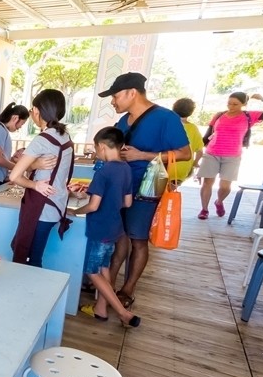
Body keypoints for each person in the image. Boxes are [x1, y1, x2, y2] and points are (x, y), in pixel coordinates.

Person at [98, 72, 192, 310]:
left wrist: (143, 155)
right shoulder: (123, 121)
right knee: (119, 238)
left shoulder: (165, 118)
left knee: (138, 240)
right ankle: (107, 286)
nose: (113, 101)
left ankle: (128, 289)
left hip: (146, 189)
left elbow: (185, 153)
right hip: (121, 188)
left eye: (115, 96)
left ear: (132, 93)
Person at [71, 127, 139, 327]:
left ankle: (123, 313)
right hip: (115, 227)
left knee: (92, 271)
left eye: (95, 148)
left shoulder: (104, 171)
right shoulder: (126, 168)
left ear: (101, 146)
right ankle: (100, 309)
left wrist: (75, 211)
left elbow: (93, 206)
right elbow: (127, 203)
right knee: (103, 267)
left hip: (99, 228)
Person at [7, 89, 74, 268]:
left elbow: (14, 176)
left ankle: (29, 286)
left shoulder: (42, 140)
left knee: (29, 258)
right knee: (33, 256)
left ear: (37, 111)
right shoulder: (65, 136)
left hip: (42, 207)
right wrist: (35, 164)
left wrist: (34, 185)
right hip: (56, 204)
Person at [197, 91, 263, 219]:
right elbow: (208, 134)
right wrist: (198, 151)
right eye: (229, 103)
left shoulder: (249, 116)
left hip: (232, 156)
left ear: (244, 104)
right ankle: (204, 209)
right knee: (207, 182)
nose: (231, 107)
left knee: (225, 186)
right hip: (212, 153)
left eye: (235, 104)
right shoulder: (219, 115)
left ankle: (219, 201)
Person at [170, 98, 205, 185]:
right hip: (183, 167)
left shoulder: (168, 124)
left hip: (166, 164)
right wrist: (195, 163)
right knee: (172, 190)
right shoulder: (193, 128)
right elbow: (200, 151)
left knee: (159, 190)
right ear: (191, 112)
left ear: (174, 108)